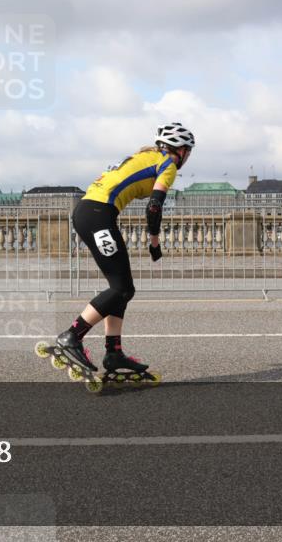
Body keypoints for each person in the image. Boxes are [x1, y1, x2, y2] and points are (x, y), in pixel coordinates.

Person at [55, 122, 195, 376]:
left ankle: (114, 352)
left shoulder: (144, 156)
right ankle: (72, 336)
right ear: (181, 150)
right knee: (122, 288)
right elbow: (154, 207)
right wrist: (154, 242)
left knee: (121, 289)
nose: (187, 157)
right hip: (98, 215)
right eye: (188, 152)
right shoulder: (168, 164)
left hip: (92, 213)